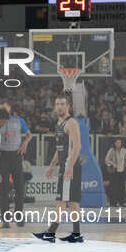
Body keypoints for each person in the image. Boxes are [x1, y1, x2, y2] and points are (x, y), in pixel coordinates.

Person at [33, 94, 83, 243]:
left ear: (68, 106)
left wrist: (70, 166)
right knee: (73, 202)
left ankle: (50, 233)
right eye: (57, 104)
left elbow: (77, 146)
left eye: (62, 104)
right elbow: (59, 149)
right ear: (55, 107)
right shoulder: (59, 123)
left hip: (69, 165)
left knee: (60, 201)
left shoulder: (71, 122)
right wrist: (51, 166)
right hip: (65, 164)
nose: (60, 106)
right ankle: (76, 234)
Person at [0, 100, 33, 227]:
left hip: (16, 155)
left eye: (4, 107)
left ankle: (18, 216)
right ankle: (5, 219)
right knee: (3, 188)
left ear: (9, 108)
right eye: (0, 108)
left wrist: (25, 143)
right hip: (2, 155)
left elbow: (29, 135)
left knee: (19, 187)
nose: (2, 110)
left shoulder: (18, 120)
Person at [105, 139, 126, 207]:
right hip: (114, 171)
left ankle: (122, 202)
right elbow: (106, 160)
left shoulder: (123, 150)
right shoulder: (112, 150)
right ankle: (113, 202)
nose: (118, 144)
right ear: (114, 143)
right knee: (114, 188)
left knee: (122, 187)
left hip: (122, 170)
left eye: (120, 142)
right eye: (117, 142)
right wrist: (113, 163)